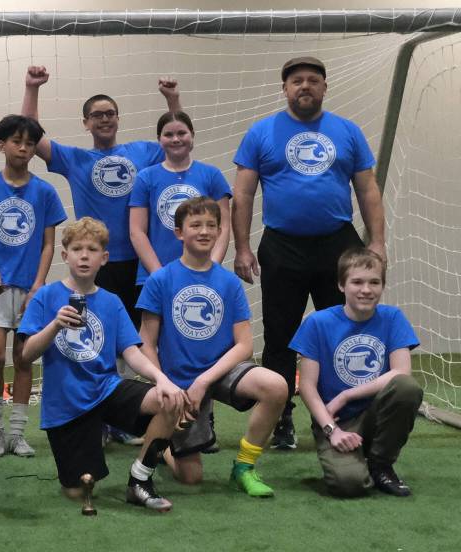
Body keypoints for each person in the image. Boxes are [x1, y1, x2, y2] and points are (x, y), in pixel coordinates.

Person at [232, 56, 387, 449]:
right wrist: (244, 247)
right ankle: (280, 419)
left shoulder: (347, 132)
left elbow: (368, 189)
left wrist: (378, 241)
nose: (305, 86)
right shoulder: (261, 133)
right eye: (297, 81)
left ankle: (340, 417)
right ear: (285, 88)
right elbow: (244, 193)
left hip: (339, 244)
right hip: (282, 246)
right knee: (282, 335)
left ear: (324, 88)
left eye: (314, 81)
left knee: (343, 332)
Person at [22, 65, 181, 446]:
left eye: (110, 113)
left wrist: (172, 100)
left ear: (117, 119)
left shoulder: (143, 151)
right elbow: (31, 133)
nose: (105, 119)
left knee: (135, 342)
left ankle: (131, 414)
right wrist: (32, 88)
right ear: (86, 123)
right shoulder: (75, 159)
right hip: (96, 267)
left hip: (139, 263)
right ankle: (98, 418)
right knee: (99, 340)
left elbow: (178, 138)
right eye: (97, 115)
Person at [18, 217, 186, 512]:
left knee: (169, 399)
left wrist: (162, 379)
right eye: (78, 248)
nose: (85, 255)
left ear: (104, 258)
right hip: (67, 404)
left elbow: (132, 353)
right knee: (78, 489)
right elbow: (26, 355)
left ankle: (140, 480)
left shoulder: (111, 301)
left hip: (106, 390)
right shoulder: (46, 297)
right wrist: (55, 325)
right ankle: (91, 451)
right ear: (64, 254)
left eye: (92, 249)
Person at [137, 197, 287, 497]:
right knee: (190, 477)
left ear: (219, 232)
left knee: (277, 386)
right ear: (180, 232)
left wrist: (204, 381)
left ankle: (244, 467)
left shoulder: (228, 283)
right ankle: (162, 442)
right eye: (195, 225)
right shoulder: (160, 280)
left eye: (211, 225)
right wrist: (164, 385)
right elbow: (146, 344)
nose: (204, 231)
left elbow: (244, 345)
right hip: (179, 382)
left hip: (221, 372)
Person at [0, 115, 66, 457]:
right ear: (1, 145)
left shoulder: (45, 192)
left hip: (30, 288)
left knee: (23, 358)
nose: (23, 148)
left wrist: (39, 285)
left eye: (29, 143)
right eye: (16, 141)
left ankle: (17, 433)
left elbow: (49, 244)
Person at [291, 248, 422, 498]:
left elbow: (401, 372)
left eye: (374, 282)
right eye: (357, 282)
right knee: (348, 485)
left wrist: (347, 395)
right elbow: (307, 387)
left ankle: (380, 463)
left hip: (376, 413)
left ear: (382, 286)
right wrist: (332, 430)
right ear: (341, 285)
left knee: (407, 388)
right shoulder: (317, 323)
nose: (366, 290)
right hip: (338, 420)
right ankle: (354, 459)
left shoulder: (393, 318)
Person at [130, 111, 231, 287]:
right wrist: (159, 274)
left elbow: (223, 226)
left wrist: (211, 267)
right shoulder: (145, 178)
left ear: (192, 135)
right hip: (155, 277)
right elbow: (137, 231)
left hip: (203, 276)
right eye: (168, 134)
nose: (176, 139)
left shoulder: (212, 175)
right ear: (159, 139)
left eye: (181, 133)